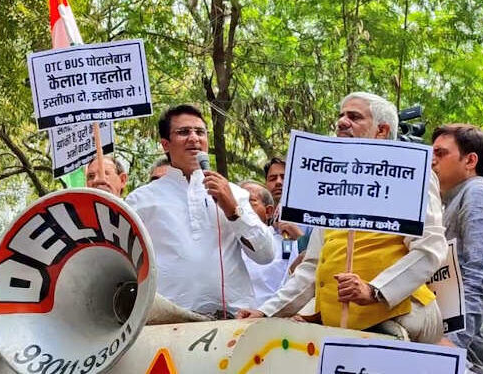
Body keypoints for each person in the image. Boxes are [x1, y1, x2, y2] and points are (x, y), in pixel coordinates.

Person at [238, 92, 447, 344]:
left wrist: (375, 291)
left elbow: (430, 249)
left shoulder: (411, 174)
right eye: (340, 115)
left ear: (381, 130)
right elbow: (312, 268)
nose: (342, 122)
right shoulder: (331, 185)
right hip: (340, 328)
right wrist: (265, 312)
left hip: (400, 320)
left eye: (354, 116)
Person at [126, 105, 274, 317]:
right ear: (165, 144)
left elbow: (266, 254)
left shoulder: (232, 192)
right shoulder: (141, 201)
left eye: (200, 132)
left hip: (232, 318)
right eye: (184, 132)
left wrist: (233, 210)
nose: (194, 138)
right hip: (170, 320)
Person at [431, 124, 483, 374]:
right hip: (451, 347)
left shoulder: (478, 194)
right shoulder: (451, 202)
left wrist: (454, 343)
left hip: (468, 355)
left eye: (441, 153)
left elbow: (479, 274)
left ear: (470, 160)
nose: (431, 160)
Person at [238, 181, 299, 304]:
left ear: (268, 211)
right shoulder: (225, 242)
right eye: (238, 201)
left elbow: (290, 285)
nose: (242, 207)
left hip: (269, 317)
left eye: (250, 201)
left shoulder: (285, 242)